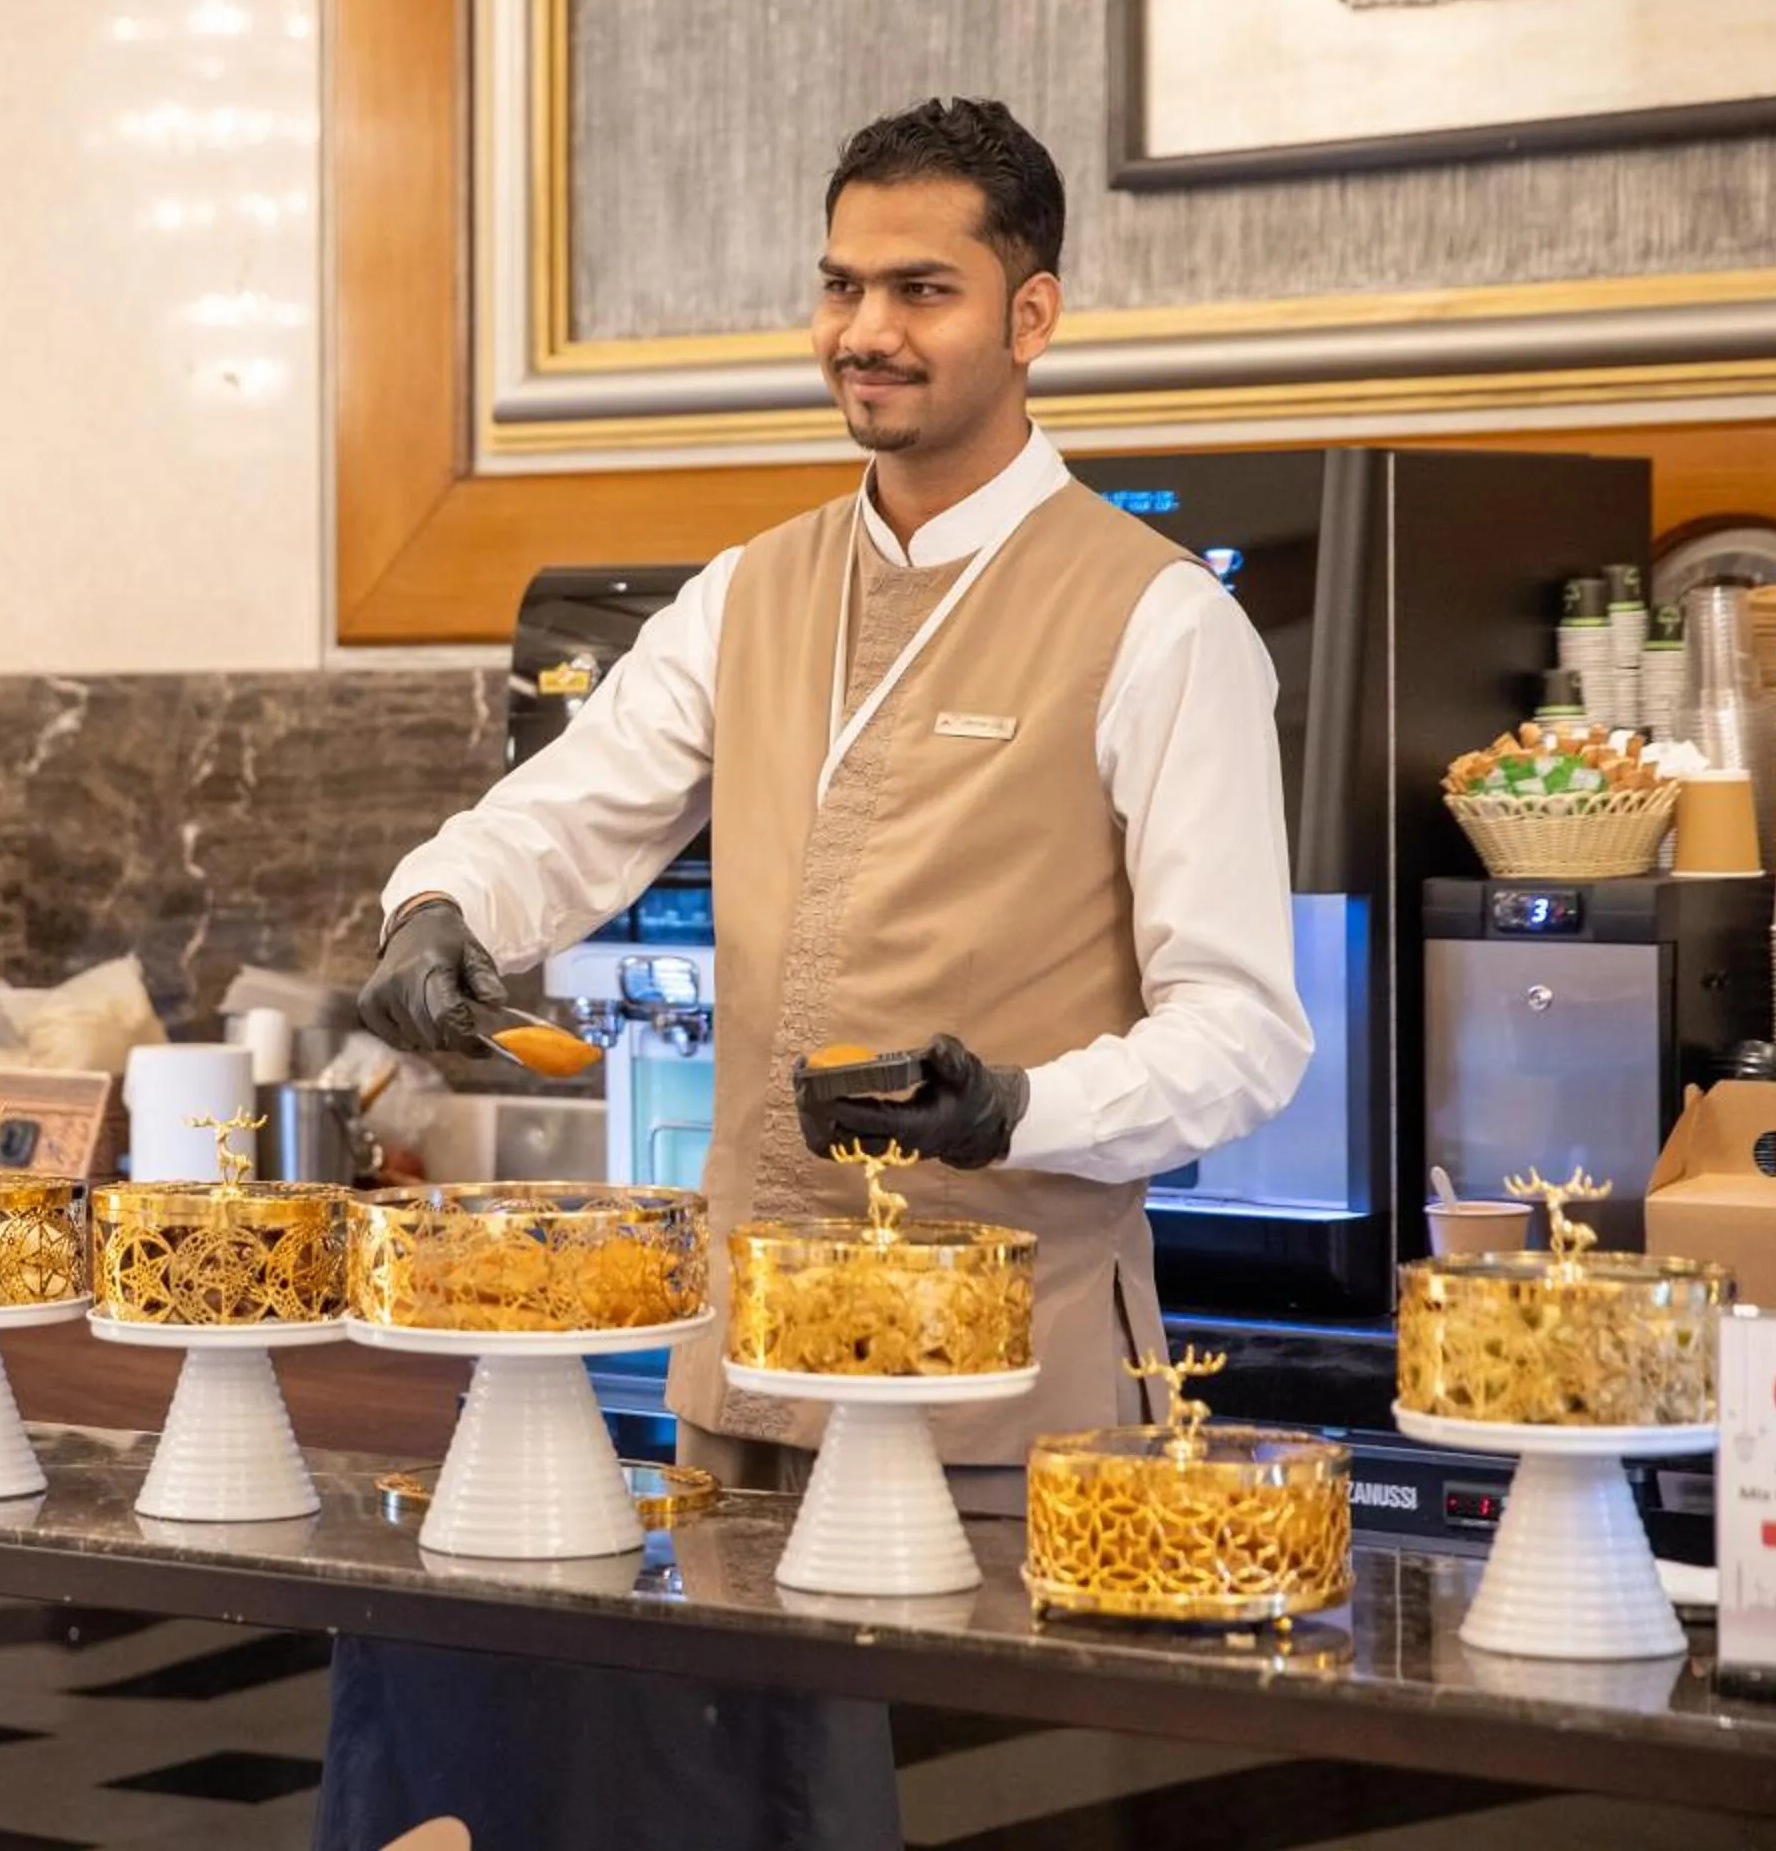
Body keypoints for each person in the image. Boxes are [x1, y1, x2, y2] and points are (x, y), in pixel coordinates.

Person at [320, 98, 1311, 1849]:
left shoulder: (1161, 620)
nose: (867, 330)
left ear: (1033, 314)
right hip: (747, 1379)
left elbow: (1244, 1034)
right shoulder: (745, 593)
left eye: (922, 288)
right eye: (843, 285)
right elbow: (572, 809)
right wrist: (443, 910)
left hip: (1020, 1396)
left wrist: (1021, 1105)